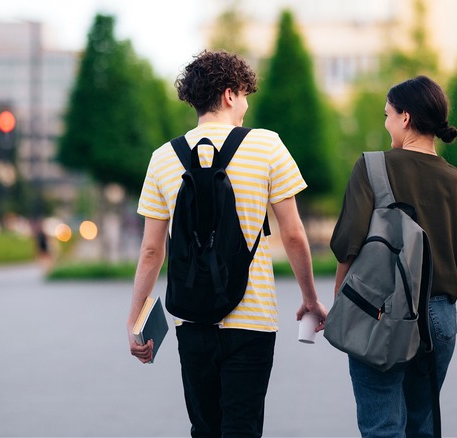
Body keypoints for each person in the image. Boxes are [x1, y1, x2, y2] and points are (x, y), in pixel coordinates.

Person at [126, 50, 328, 437]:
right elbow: (293, 233)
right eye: (245, 96)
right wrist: (309, 298)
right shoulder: (267, 146)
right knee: (243, 428)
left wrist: (136, 321)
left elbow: (152, 250)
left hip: (192, 318)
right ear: (230, 94)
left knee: (204, 429)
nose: (246, 106)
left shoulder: (163, 158)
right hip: (252, 319)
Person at [331, 75, 457, 436]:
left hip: (379, 310)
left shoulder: (371, 167)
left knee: (382, 425)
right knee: (423, 424)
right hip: (440, 316)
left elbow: (347, 245)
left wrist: (341, 299)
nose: (385, 122)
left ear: (405, 118)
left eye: (387, 114)